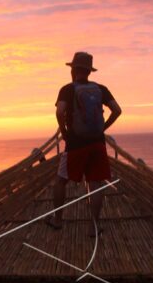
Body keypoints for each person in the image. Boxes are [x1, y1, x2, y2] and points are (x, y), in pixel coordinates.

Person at [48, 51, 122, 235]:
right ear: (89, 71)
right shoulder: (101, 89)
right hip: (97, 143)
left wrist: (64, 132)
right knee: (96, 183)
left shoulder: (67, 89)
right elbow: (117, 110)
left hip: (75, 144)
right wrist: (103, 128)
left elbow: (59, 112)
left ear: (73, 69)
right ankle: (94, 227)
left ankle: (57, 221)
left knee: (60, 181)